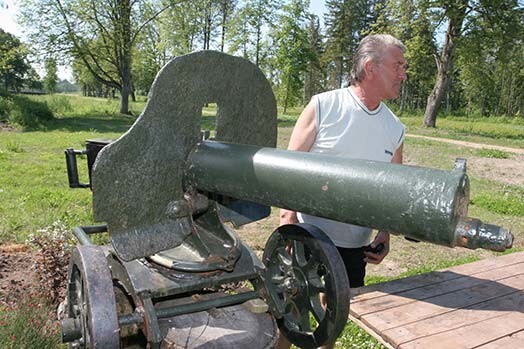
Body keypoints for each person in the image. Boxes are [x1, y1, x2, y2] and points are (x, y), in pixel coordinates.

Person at [277, 34, 407, 349]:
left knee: (332, 320)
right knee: (291, 313)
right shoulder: (324, 106)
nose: (403, 74)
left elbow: (392, 187)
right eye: (398, 66)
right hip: (307, 233)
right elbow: (288, 167)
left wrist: (384, 233)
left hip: (355, 244)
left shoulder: (395, 128)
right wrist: (287, 222)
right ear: (370, 67)